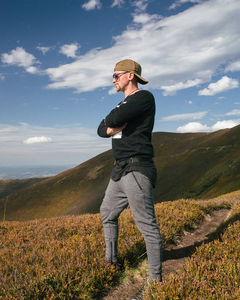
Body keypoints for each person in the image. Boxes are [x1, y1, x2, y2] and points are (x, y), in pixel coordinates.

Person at [97, 59, 163, 282]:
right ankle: (111, 262)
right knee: (107, 213)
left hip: (137, 168)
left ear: (130, 76)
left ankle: (155, 283)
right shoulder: (122, 105)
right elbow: (100, 128)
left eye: (116, 75)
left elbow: (112, 120)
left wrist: (112, 123)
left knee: (146, 225)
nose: (113, 80)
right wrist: (112, 124)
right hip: (120, 170)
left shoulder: (144, 98)